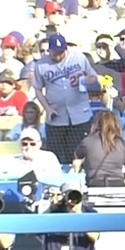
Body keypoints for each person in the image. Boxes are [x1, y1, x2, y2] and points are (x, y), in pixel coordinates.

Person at [31, 34, 99, 163]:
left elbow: (93, 76)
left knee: (79, 155)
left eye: (60, 52)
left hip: (80, 115)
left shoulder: (78, 57)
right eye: (54, 52)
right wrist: (48, 109)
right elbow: (37, 89)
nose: (58, 55)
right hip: (56, 118)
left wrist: (87, 80)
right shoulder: (41, 65)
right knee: (56, 156)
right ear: (49, 50)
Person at [72, 110, 125, 187]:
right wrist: (121, 176)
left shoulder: (87, 141)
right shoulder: (123, 143)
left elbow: (76, 161)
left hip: (94, 184)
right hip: (117, 184)